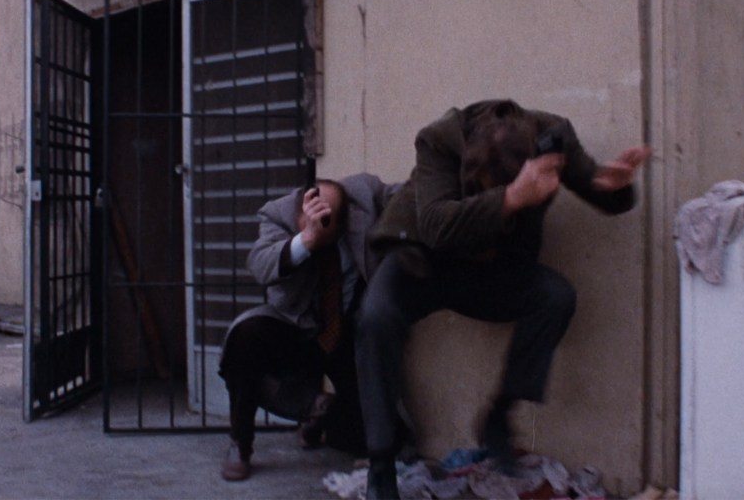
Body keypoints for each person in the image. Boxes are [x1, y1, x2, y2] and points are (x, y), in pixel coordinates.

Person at [355, 99, 651, 499]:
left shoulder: (553, 139)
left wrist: (615, 186)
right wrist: (512, 197)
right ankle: (380, 464)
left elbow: (599, 190)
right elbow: (437, 225)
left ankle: (499, 416)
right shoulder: (438, 140)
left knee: (554, 296)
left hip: (490, 267)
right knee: (375, 317)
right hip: (423, 260)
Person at [218, 172, 398, 481]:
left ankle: (325, 418)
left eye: (325, 220)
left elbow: (409, 196)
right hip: (294, 324)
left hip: (345, 331)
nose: (315, 222)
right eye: (309, 215)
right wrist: (306, 241)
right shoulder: (278, 214)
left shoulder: (363, 195)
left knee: (378, 439)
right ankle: (240, 443)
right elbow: (259, 263)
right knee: (245, 337)